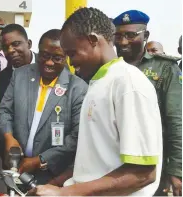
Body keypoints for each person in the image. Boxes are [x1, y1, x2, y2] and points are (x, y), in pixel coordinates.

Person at [33, 7, 163, 196]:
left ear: (92, 40)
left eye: (73, 53)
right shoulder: (98, 83)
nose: (70, 63)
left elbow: (143, 173)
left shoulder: (128, 84)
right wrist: (58, 185)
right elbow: (96, 161)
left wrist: (67, 193)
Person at [0, 29, 87, 184]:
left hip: (53, 175)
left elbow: (76, 136)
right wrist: (9, 137)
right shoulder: (20, 75)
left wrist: (40, 160)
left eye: (57, 57)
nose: (49, 62)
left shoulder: (77, 88)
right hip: (16, 168)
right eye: (45, 55)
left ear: (65, 57)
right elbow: (4, 111)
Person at [113, 10, 182, 196]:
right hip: (112, 161)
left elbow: (176, 120)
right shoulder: (109, 68)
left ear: (146, 36)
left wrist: (176, 170)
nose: (123, 41)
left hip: (151, 163)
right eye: (118, 36)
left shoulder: (165, 68)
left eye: (130, 35)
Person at [0, 24, 37, 103]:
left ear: (29, 44)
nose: (10, 50)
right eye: (5, 47)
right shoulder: (2, 78)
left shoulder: (49, 65)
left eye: (16, 44)